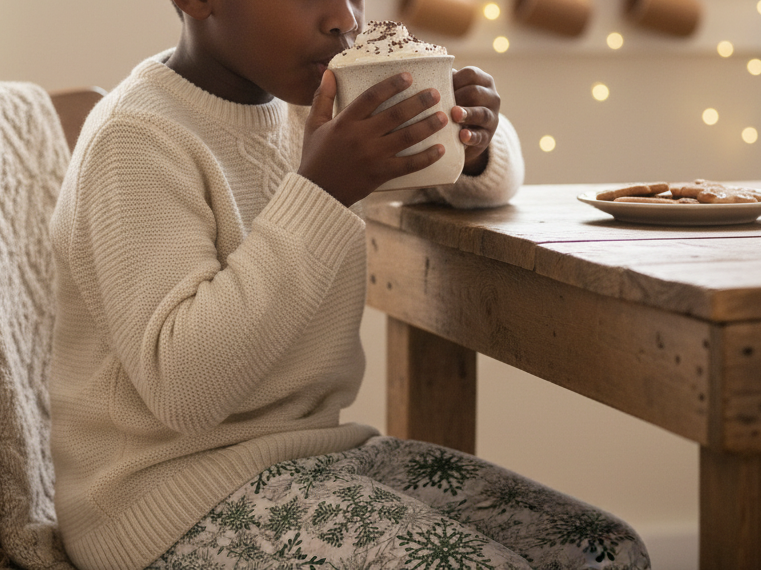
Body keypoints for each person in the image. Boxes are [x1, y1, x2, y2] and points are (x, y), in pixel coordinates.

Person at [48, 0, 650, 569]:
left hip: (316, 458)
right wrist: (321, 193)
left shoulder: (322, 106)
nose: (345, 18)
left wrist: (471, 146)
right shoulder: (137, 140)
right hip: (166, 502)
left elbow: (483, 187)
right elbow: (186, 390)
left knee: (604, 550)